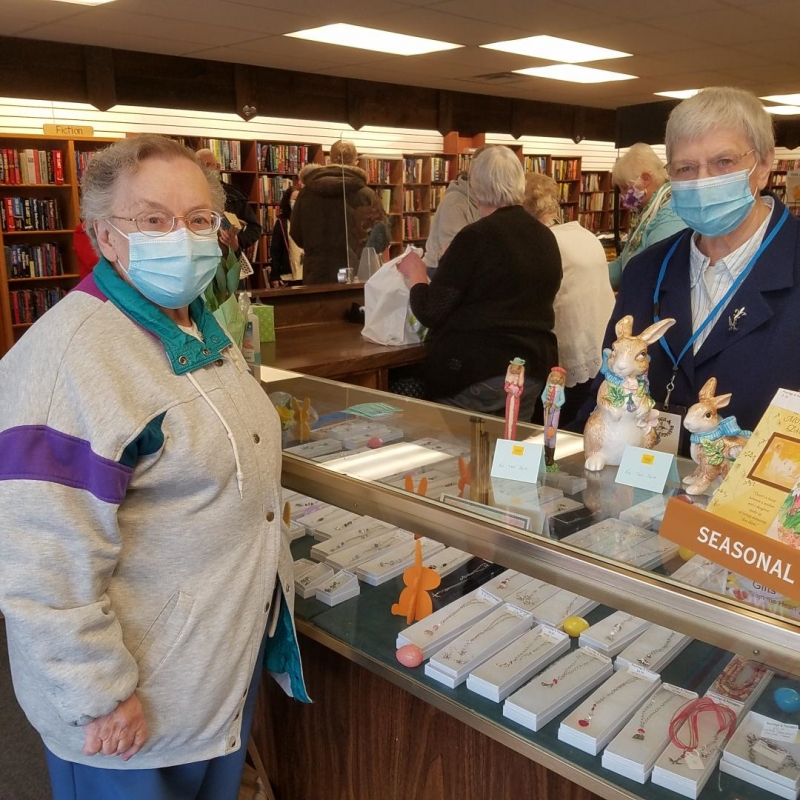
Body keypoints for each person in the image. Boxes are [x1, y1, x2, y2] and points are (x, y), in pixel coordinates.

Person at [0, 135, 307, 800]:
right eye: (153, 219)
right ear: (105, 237)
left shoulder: (194, 323)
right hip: (127, 714)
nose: (183, 236)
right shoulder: (71, 363)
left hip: (202, 678)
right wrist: (98, 695)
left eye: (199, 219)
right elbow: (38, 566)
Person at [583, 86, 800, 438]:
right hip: (646, 484)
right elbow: (607, 387)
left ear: (763, 166)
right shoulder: (645, 271)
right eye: (685, 167)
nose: (702, 181)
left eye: (724, 162)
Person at [397, 146, 562, 422]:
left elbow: (431, 311)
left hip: (477, 371)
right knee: (508, 456)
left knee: (460, 455)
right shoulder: (545, 237)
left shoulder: (475, 237)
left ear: (474, 187)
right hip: (532, 370)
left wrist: (416, 275)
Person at [523, 172, 615, 425]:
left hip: (569, 355)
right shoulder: (584, 234)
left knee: (554, 430)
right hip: (601, 348)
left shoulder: (545, 244)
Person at [290, 139, 385, 284]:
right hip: (356, 273)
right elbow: (381, 238)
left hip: (316, 273)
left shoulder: (307, 193)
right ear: (356, 161)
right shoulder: (366, 194)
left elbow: (296, 233)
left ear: (329, 159)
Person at [608, 142, 687, 289]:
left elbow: (653, 269)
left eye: (625, 188)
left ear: (645, 179)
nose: (624, 196)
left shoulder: (671, 213)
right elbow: (625, 261)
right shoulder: (646, 210)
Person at [422, 145, 488, 276]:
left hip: (471, 270)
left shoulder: (487, 200)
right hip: (440, 270)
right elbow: (456, 251)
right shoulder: (454, 202)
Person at [195, 147, 263, 256]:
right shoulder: (189, 194)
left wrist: (237, 241)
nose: (204, 170)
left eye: (207, 165)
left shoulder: (235, 196)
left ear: (218, 167)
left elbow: (255, 228)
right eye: (200, 166)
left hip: (227, 257)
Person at [269, 184, 303, 282]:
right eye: (294, 199)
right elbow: (276, 252)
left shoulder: (310, 221)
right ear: (288, 202)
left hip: (307, 275)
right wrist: (274, 276)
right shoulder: (281, 223)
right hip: (288, 275)